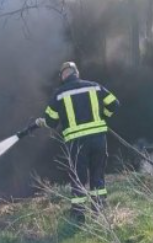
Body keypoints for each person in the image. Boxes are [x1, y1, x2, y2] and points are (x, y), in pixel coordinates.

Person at [36, 62, 120, 220]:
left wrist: (43, 122)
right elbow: (114, 104)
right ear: (77, 73)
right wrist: (104, 116)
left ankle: (79, 214)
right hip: (98, 140)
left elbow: (52, 121)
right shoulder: (94, 86)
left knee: (79, 177)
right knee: (97, 174)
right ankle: (99, 210)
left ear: (63, 76)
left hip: (77, 142)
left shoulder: (59, 94)